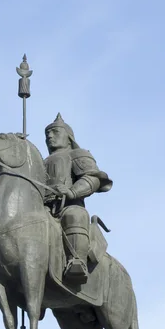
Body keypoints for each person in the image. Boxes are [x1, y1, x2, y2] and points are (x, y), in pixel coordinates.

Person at [44, 113, 112, 284]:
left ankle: (77, 261)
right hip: (43, 207)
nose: (50, 136)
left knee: (76, 215)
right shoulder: (40, 162)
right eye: (47, 134)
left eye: (55, 132)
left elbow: (93, 178)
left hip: (68, 205)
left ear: (68, 137)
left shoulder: (77, 154)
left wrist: (72, 192)